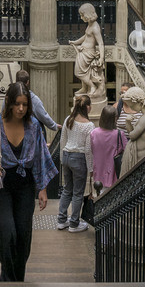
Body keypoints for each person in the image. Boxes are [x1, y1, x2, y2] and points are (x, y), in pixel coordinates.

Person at [0, 84, 57, 282]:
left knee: (23, 233)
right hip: (0, 185)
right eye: (17, 104)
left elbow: (40, 157)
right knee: (6, 231)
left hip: (25, 186)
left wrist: (42, 188)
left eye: (25, 105)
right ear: (9, 103)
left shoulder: (34, 126)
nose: (21, 109)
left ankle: (18, 276)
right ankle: (7, 275)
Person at [55, 95, 94, 232]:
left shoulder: (68, 119)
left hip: (66, 155)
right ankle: (74, 223)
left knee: (67, 189)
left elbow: (63, 140)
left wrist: (61, 159)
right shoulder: (89, 125)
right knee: (78, 193)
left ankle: (61, 220)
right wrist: (91, 169)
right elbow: (88, 149)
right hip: (79, 158)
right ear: (87, 107)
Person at [89, 105, 128, 195]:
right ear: (114, 119)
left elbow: (90, 151)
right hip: (114, 173)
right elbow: (126, 151)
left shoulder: (93, 133)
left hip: (97, 173)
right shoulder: (119, 134)